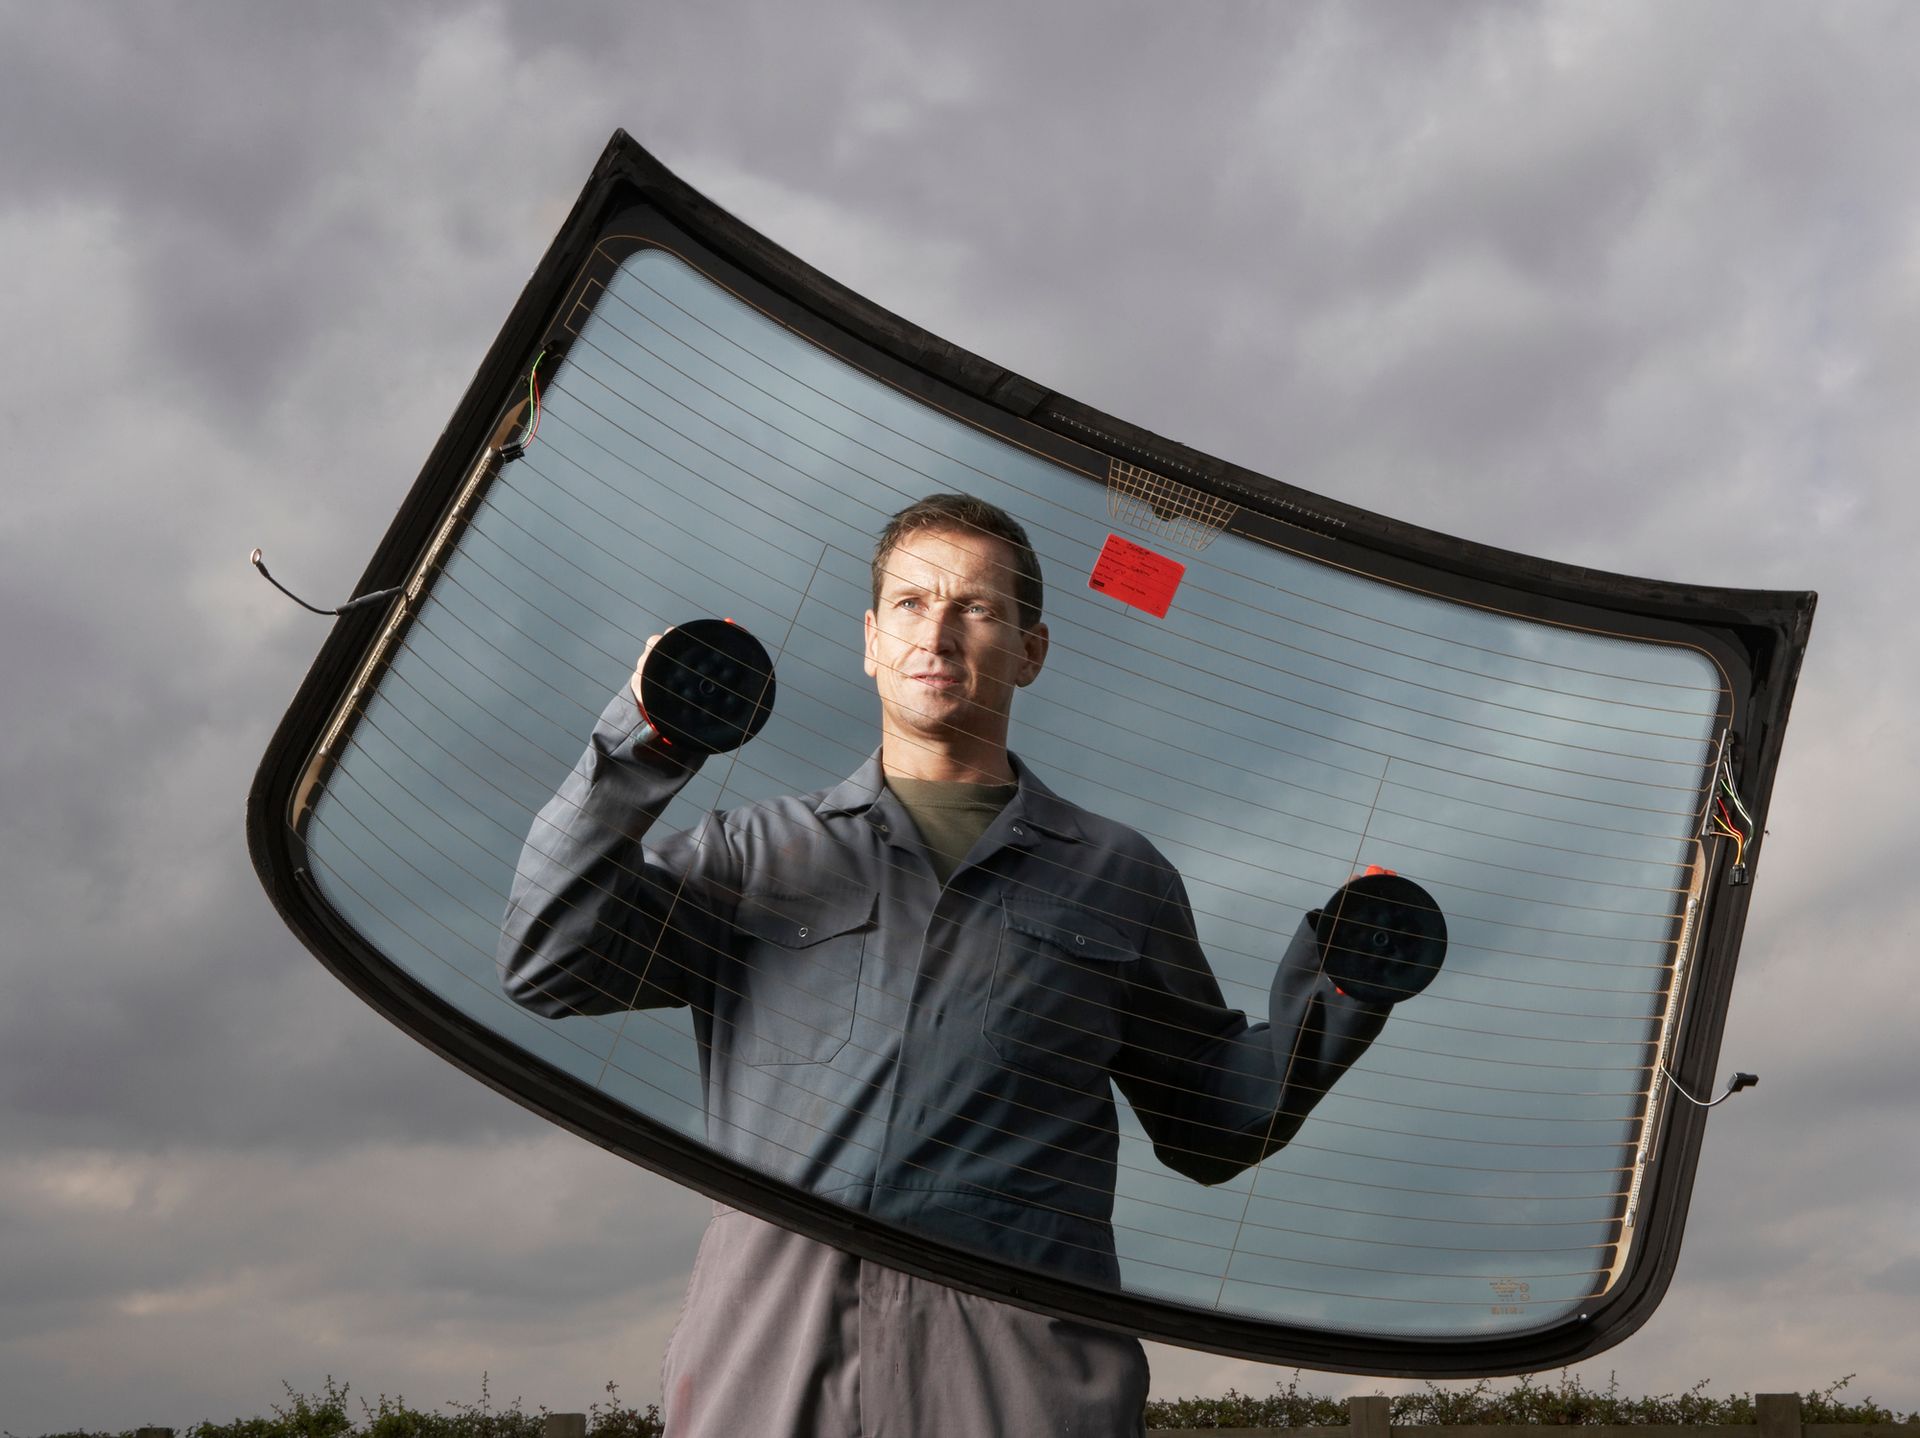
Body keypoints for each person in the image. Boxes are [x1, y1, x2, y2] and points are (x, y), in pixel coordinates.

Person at [498, 493, 1409, 1437]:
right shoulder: (751, 855)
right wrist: (649, 737)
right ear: (869, 639)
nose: (937, 631)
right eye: (909, 603)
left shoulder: (1118, 876)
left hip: (1022, 1378)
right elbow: (550, 963)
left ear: (1030, 650)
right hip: (772, 1359)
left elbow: (1212, 1123)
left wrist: (1344, 986)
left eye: (976, 607)